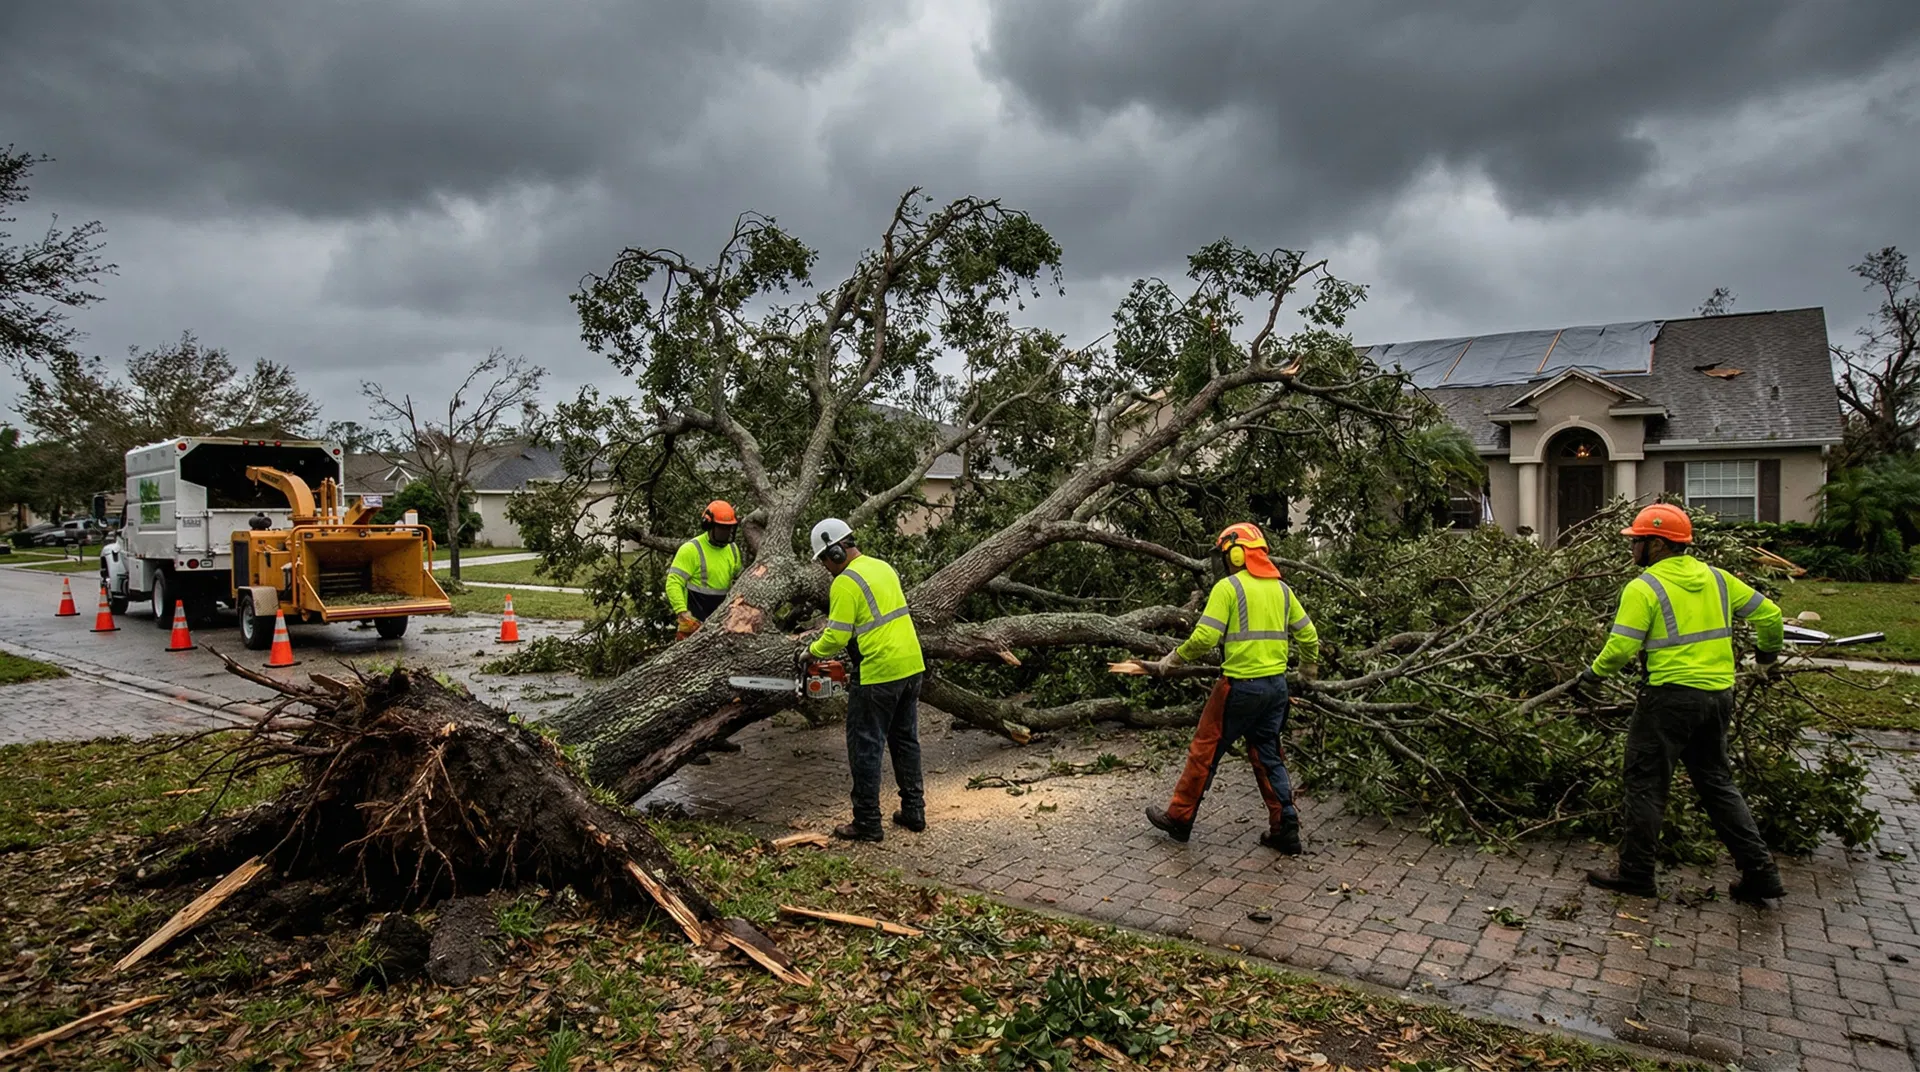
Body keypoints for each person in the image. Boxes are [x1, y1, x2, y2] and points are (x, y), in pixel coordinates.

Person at [1580, 503, 1787, 903]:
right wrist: (1766, 659)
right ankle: (1760, 871)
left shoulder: (1645, 587)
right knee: (1716, 783)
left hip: (1668, 700)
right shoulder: (1719, 579)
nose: (1632, 548)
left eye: (1637, 541)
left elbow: (1621, 648)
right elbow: (1771, 616)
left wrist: (1592, 675)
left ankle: (1636, 874)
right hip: (1717, 698)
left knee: (1645, 782)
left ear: (1656, 544)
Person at [1145, 522, 1318, 855]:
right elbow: (1309, 635)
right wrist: (1307, 670)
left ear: (1237, 554)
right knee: (1269, 756)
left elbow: (1206, 637)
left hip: (1238, 688)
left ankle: (1179, 818)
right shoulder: (1282, 590)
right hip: (1276, 689)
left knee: (1204, 752)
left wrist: (1174, 659)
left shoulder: (1228, 588)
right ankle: (1286, 828)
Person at [804, 517, 926, 842]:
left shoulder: (844, 582)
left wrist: (810, 652)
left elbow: (836, 637)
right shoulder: (882, 567)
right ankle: (914, 811)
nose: (826, 568)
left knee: (865, 747)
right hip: (912, 666)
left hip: (879, 673)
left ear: (835, 551)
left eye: (825, 561)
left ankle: (867, 822)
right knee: (905, 741)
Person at [665, 501, 744, 640]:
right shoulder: (691, 549)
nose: (726, 532)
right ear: (709, 526)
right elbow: (674, 582)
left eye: (728, 528)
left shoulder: (733, 549)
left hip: (722, 620)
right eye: (721, 528)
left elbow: (739, 580)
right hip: (695, 618)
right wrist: (682, 613)